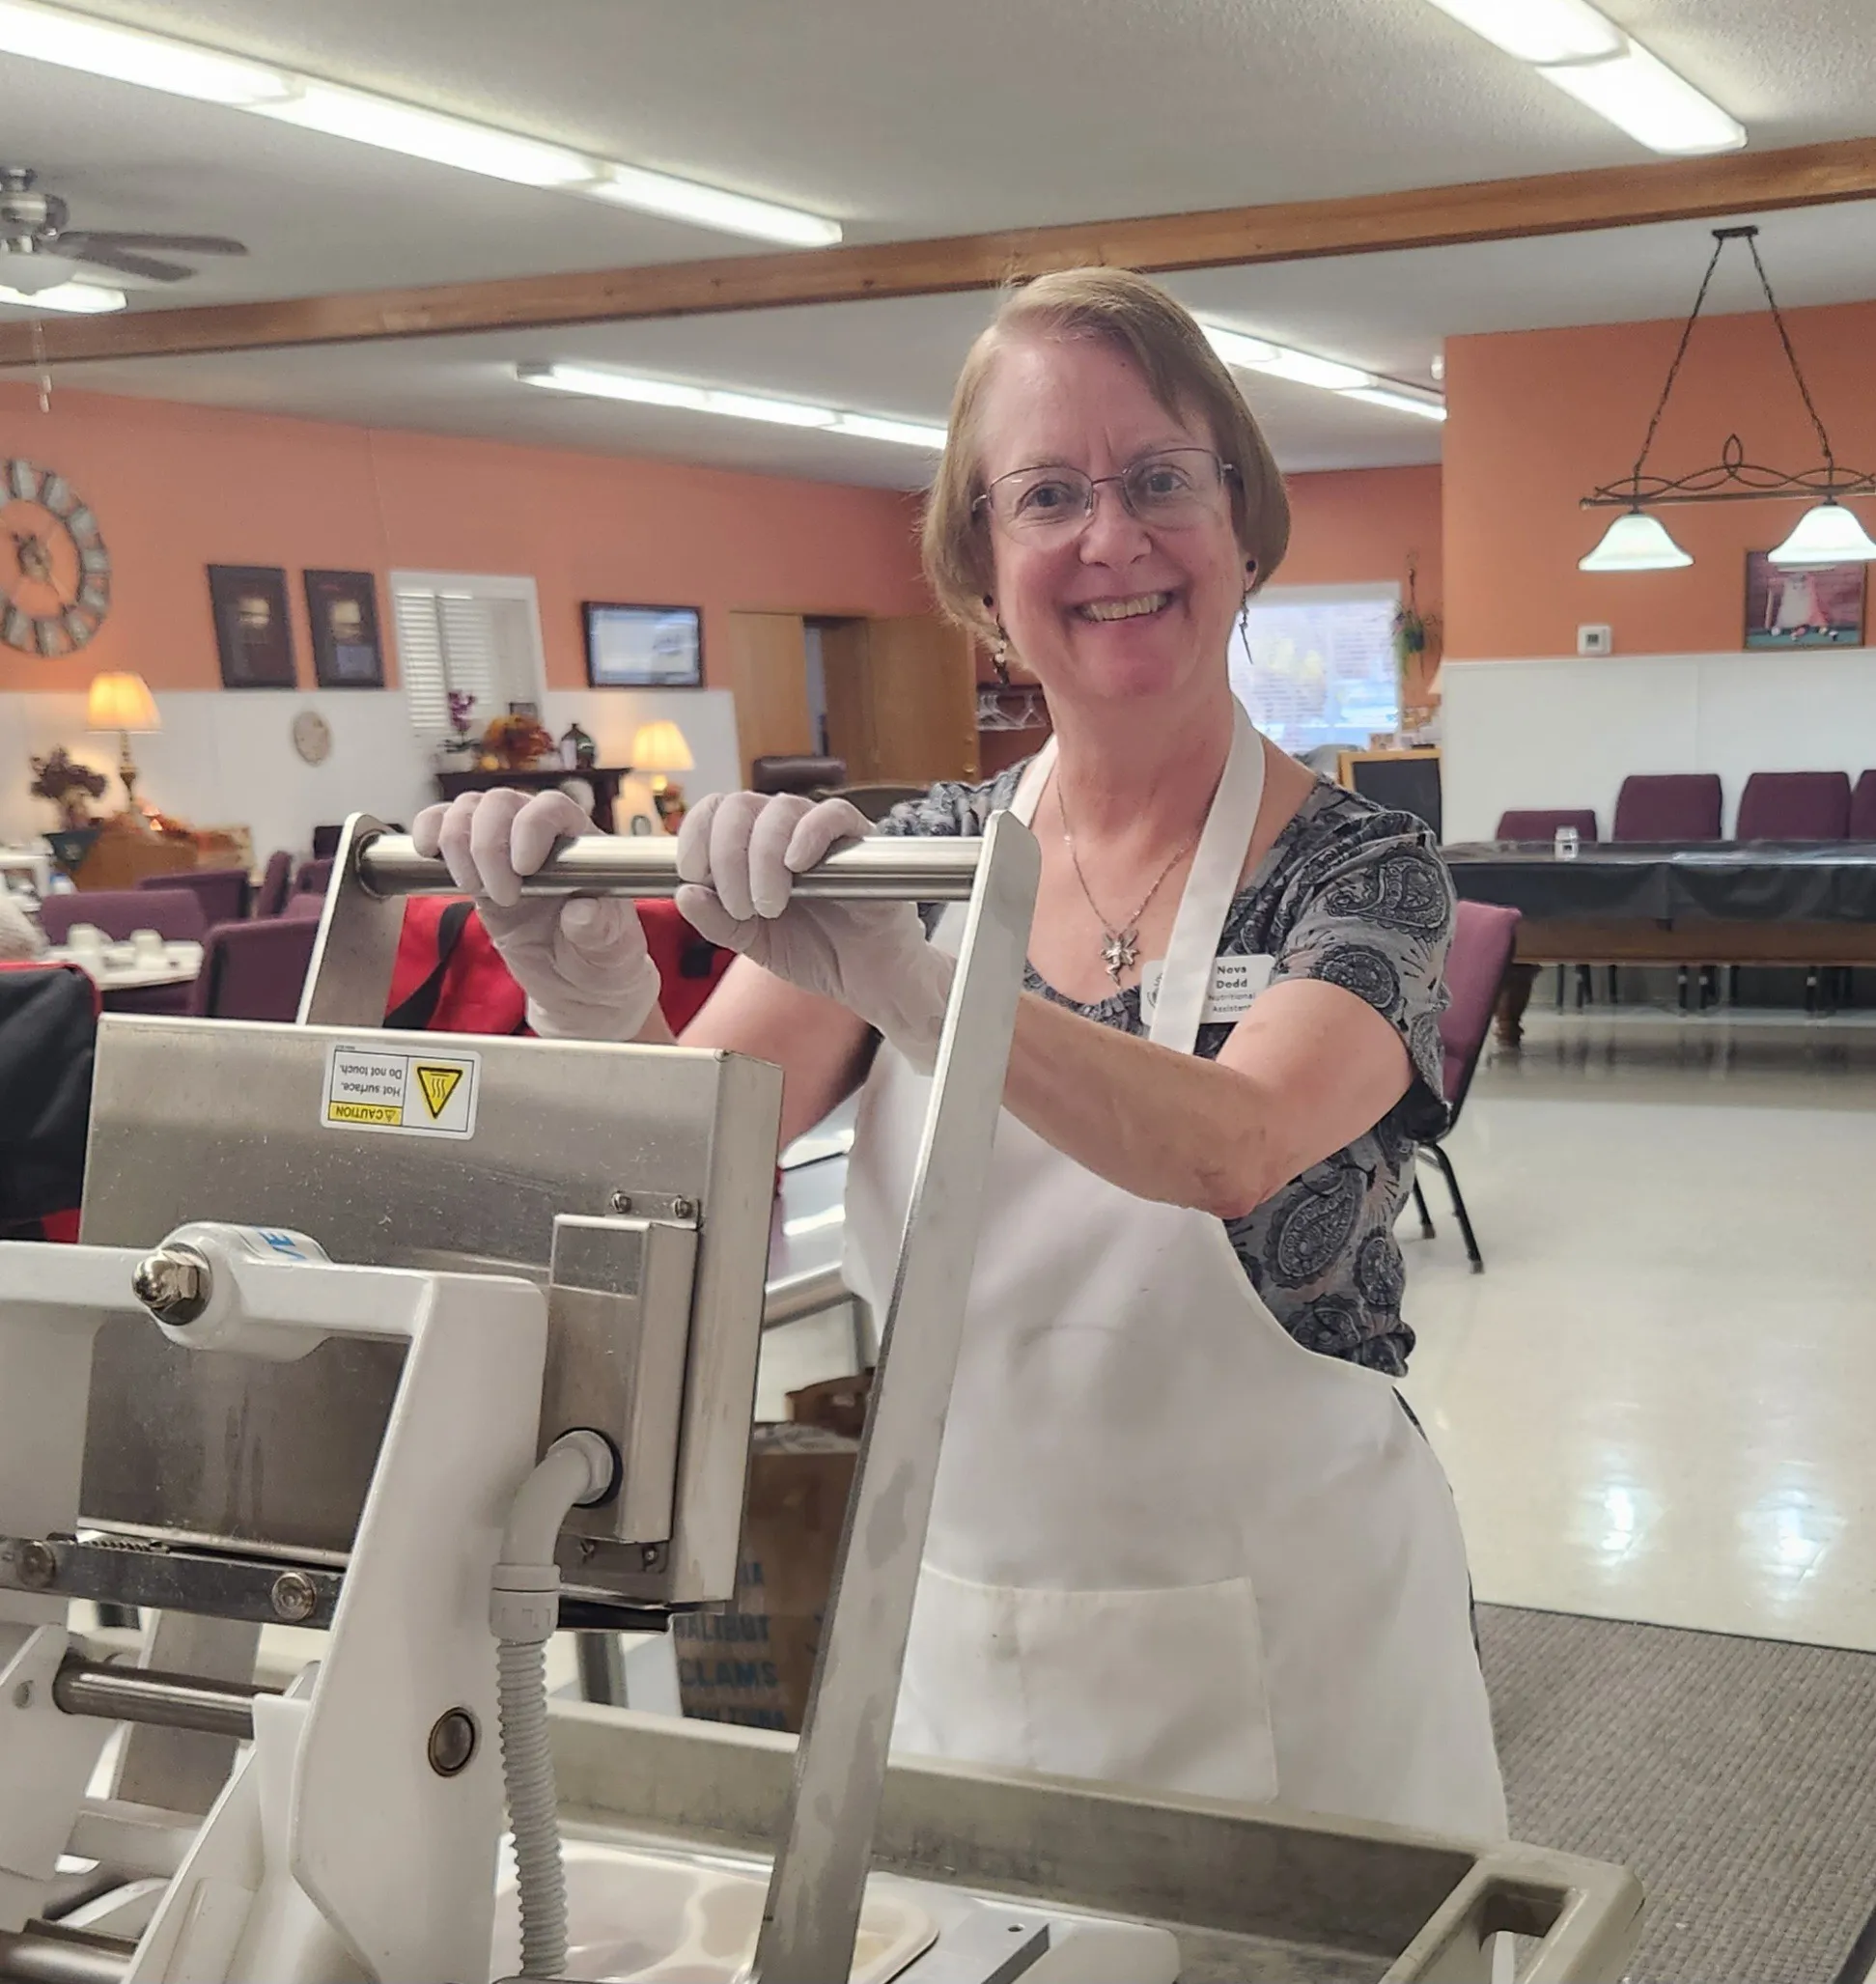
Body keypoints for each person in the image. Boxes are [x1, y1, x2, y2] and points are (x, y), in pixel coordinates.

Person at [414, 267, 1504, 1841]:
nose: (1112, 537)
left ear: (1242, 527)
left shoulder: (1362, 873)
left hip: (1311, 1656)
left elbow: (1232, 1143)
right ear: (981, 572)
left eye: (1160, 479)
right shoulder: (914, 861)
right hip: (969, 1646)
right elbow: (685, 1169)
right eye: (1047, 494)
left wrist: (922, 985)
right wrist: (581, 987)